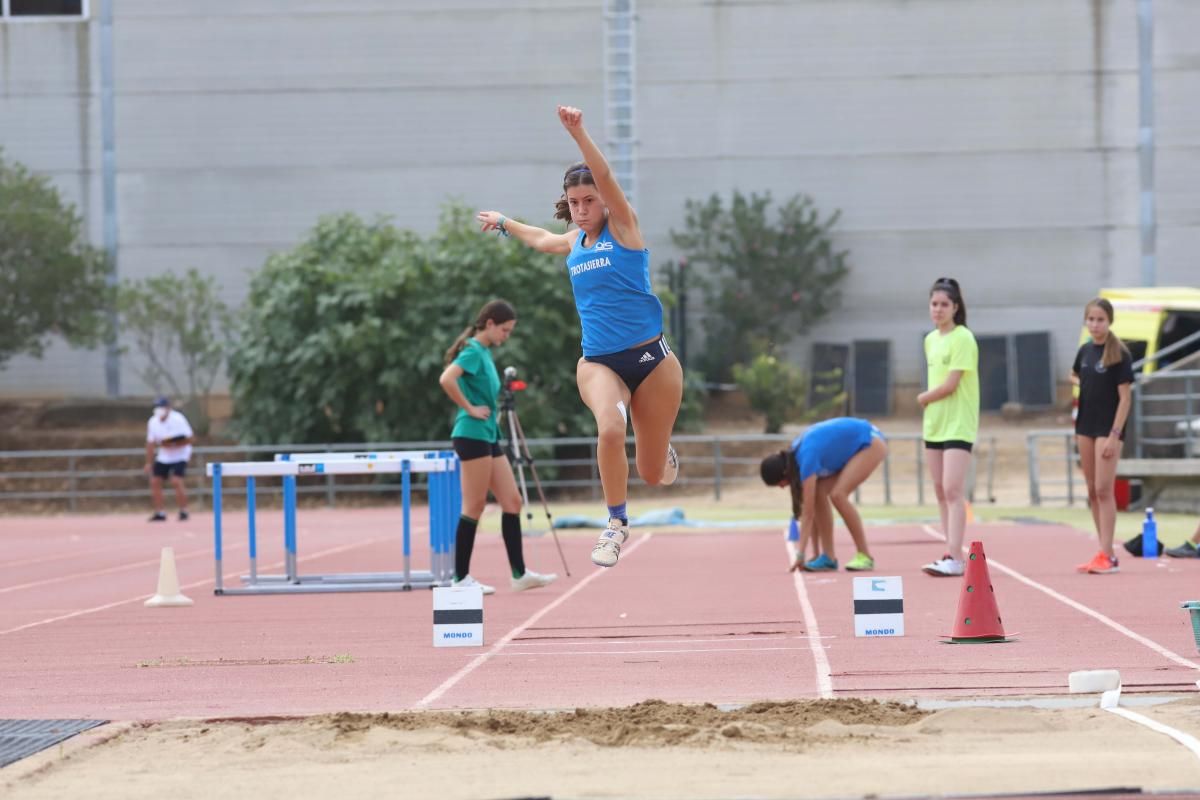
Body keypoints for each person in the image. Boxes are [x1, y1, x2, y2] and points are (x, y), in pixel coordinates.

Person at [476, 105, 681, 570]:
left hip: (654, 362)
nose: (582, 209)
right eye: (575, 203)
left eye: (590, 200)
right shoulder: (573, 243)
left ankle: (662, 448)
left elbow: (604, 174)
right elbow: (542, 239)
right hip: (599, 362)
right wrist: (506, 222)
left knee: (652, 474)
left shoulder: (625, 230)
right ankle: (615, 524)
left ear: (606, 202)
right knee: (610, 427)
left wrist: (579, 134)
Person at [438, 299, 557, 595]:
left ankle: (519, 574)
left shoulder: (485, 353)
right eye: (505, 330)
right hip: (471, 433)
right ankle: (460, 578)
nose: (507, 336)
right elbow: (446, 379)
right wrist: (469, 407)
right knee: (474, 505)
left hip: (488, 435)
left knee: (512, 501)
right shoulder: (474, 352)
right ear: (489, 323)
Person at [759, 417, 886, 572]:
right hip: (858, 443)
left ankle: (865, 555)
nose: (783, 488)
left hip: (870, 443)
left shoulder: (805, 459)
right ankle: (827, 557)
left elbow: (808, 513)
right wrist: (814, 554)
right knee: (819, 491)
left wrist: (800, 554)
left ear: (785, 473)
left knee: (838, 495)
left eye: (781, 484)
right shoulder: (794, 456)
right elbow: (810, 503)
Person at [918, 278, 980, 577]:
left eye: (944, 304)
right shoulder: (930, 340)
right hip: (934, 425)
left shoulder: (963, 338)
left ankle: (956, 556)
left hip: (958, 424)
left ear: (955, 307)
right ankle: (948, 552)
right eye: (934, 304)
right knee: (940, 491)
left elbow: (952, 384)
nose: (938, 309)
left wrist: (924, 397)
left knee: (954, 490)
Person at [1071, 297, 1133, 575]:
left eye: (1100, 320)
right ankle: (1101, 550)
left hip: (1108, 430)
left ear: (1109, 322)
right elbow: (1074, 375)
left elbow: (1125, 399)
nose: (1095, 324)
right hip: (1085, 426)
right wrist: (1084, 383)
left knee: (1103, 490)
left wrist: (1114, 434)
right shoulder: (1085, 351)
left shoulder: (1119, 353)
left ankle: (1109, 555)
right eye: (1091, 319)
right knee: (1091, 490)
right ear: (1086, 321)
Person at [144, 396, 194, 521]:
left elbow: (190, 439)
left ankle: (184, 510)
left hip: (180, 454)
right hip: (164, 455)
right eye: (157, 407)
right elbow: (150, 443)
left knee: (176, 481)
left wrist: (173, 444)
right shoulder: (152, 422)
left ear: (168, 408)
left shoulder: (178, 419)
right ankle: (160, 512)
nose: (158, 410)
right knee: (155, 481)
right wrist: (148, 463)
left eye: (161, 407)